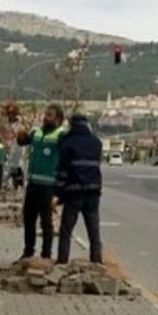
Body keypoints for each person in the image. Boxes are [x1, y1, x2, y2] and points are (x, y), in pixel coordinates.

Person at [16, 103, 65, 260]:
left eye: (49, 115)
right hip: (33, 184)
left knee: (46, 222)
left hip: (48, 186)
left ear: (58, 119)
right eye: (45, 114)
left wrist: (60, 189)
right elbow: (23, 141)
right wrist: (21, 134)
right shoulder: (36, 132)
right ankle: (28, 251)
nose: (45, 117)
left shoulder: (61, 135)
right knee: (29, 219)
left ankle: (46, 255)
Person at [55, 112, 103, 264]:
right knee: (94, 232)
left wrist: (58, 194)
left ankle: (62, 262)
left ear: (71, 125)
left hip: (74, 193)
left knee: (66, 231)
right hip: (93, 193)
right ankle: (97, 262)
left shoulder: (67, 143)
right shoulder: (97, 142)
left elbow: (62, 172)